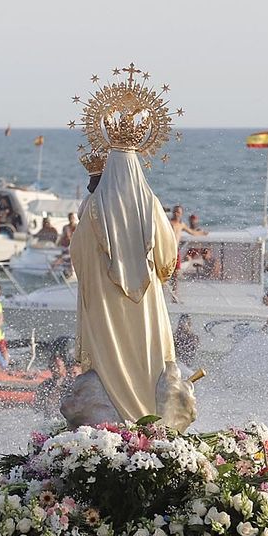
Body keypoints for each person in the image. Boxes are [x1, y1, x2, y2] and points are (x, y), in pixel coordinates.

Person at [60, 147, 192, 430]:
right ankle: (152, 423)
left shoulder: (92, 209)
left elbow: (78, 257)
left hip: (104, 307)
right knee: (149, 356)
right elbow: (168, 258)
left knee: (109, 359)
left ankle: (111, 426)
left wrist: (100, 276)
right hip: (145, 305)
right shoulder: (150, 204)